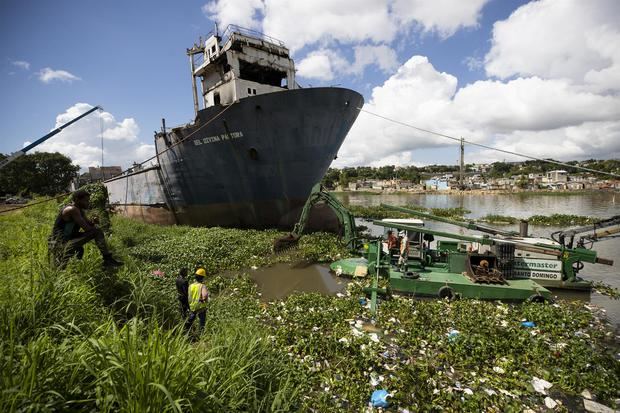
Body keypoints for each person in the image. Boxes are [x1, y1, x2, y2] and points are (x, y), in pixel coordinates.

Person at [48, 189, 122, 268]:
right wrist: (92, 226)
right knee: (59, 268)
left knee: (95, 233)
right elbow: (87, 229)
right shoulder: (72, 209)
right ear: (77, 200)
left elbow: (89, 224)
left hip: (70, 239)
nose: (88, 203)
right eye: (86, 200)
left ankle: (107, 259)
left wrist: (94, 222)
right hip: (61, 242)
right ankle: (107, 259)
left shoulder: (79, 210)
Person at [185, 268, 209, 334]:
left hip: (192, 306)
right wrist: (205, 299)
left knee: (190, 321)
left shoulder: (191, 285)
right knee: (202, 322)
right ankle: (200, 335)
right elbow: (204, 296)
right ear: (202, 277)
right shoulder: (202, 286)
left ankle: (187, 332)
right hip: (200, 306)